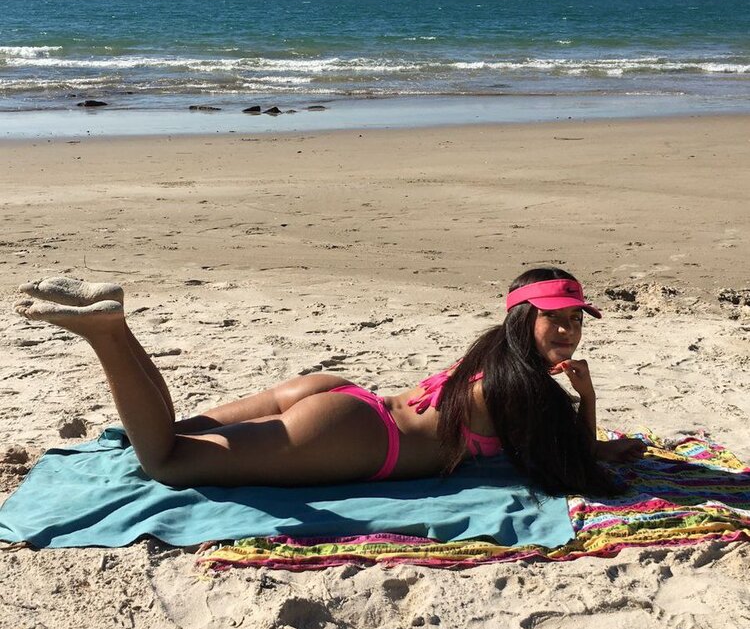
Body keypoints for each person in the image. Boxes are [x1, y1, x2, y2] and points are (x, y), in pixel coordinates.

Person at [14, 267, 646, 494]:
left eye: (574, 320)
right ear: (522, 318)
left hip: (342, 395)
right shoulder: (528, 390)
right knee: (165, 460)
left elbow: (575, 448)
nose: (568, 331)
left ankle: (116, 324)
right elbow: (576, 468)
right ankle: (106, 332)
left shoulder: (495, 357)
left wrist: (584, 419)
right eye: (555, 318)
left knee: (170, 436)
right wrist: (586, 400)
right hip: (355, 435)